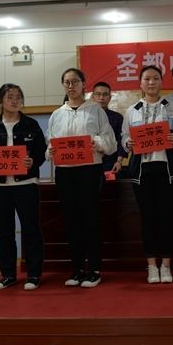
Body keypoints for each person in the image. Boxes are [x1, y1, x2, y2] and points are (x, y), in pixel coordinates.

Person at [46, 68, 116, 288]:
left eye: (75, 81)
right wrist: (50, 151)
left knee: (90, 220)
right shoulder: (57, 114)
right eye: (66, 82)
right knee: (71, 220)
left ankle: (94, 269)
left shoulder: (96, 110)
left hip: (89, 170)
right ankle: (76, 270)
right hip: (65, 172)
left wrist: (97, 143)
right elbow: (50, 145)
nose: (70, 86)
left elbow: (111, 143)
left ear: (84, 84)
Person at [0, 83, 47, 291]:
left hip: (26, 185)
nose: (15, 100)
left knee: (31, 229)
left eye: (18, 97)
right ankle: (8, 275)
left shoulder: (31, 124)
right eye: (10, 97)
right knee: (5, 232)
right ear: (0, 101)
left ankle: (33, 275)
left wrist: (33, 161)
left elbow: (41, 153)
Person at [123, 66, 173, 284]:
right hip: (142, 171)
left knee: (167, 217)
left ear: (162, 82)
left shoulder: (172, 107)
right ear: (140, 83)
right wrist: (128, 143)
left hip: (167, 169)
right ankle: (151, 265)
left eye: (156, 78)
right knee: (147, 218)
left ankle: (166, 265)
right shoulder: (132, 110)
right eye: (147, 79)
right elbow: (124, 137)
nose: (151, 83)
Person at [91, 81, 128, 177]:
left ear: (110, 97)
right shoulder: (86, 118)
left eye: (105, 94)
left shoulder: (117, 117)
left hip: (111, 164)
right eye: (98, 94)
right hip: (90, 163)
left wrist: (119, 161)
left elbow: (121, 141)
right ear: (92, 96)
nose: (101, 97)